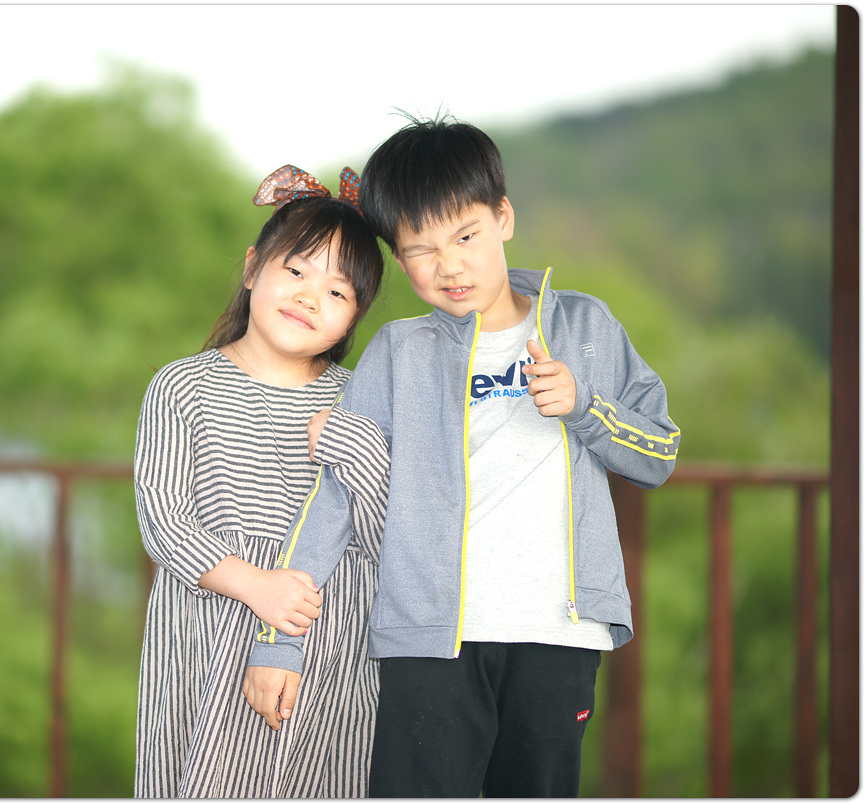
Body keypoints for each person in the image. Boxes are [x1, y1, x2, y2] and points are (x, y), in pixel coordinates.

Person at [243, 116, 680, 797]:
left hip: (559, 637)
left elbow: (660, 452)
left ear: (503, 217)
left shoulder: (586, 326)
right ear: (399, 258)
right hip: (429, 641)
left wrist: (586, 407)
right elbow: (335, 499)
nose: (448, 266)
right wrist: (279, 643)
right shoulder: (398, 351)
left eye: (466, 236)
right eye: (420, 249)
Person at [134, 164, 388, 798]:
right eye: (296, 272)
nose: (310, 297)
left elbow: (386, 529)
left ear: (355, 316)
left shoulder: (361, 401)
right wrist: (255, 586)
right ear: (252, 269)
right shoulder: (183, 386)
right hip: (210, 626)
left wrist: (352, 446)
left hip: (326, 635)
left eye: (337, 291)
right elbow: (163, 519)